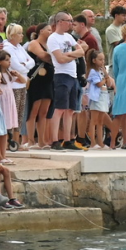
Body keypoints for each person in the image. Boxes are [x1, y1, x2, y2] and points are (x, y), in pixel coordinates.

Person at [47, 12, 86, 150]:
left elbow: (81, 51)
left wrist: (69, 54)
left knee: (70, 110)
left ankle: (68, 139)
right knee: (59, 109)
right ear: (60, 22)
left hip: (73, 75)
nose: (71, 23)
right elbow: (60, 59)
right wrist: (72, 55)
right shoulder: (53, 38)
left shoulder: (69, 37)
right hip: (61, 75)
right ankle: (54, 140)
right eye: (68, 21)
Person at [0, 24, 33, 150]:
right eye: (19, 33)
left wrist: (25, 66)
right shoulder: (8, 48)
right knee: (12, 114)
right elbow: (17, 66)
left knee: (20, 114)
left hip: (22, 84)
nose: (22, 36)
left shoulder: (19, 47)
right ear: (12, 36)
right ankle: (10, 141)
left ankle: (16, 142)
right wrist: (25, 66)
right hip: (14, 86)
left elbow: (32, 61)